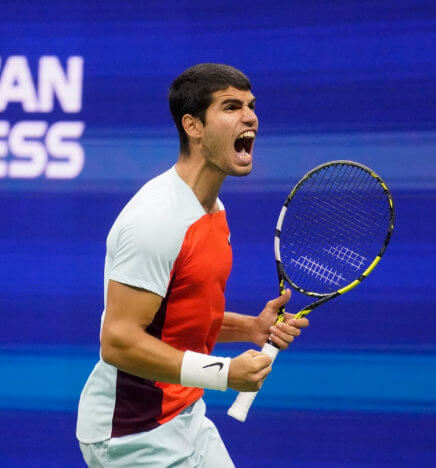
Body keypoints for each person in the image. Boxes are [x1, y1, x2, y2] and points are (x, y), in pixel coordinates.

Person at [75, 63, 310, 467]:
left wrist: (252, 328)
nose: (250, 116)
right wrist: (224, 373)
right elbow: (117, 341)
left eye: (250, 106)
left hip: (186, 418)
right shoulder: (156, 219)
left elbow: (179, 320)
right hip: (132, 435)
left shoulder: (212, 211)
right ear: (193, 126)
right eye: (231, 106)